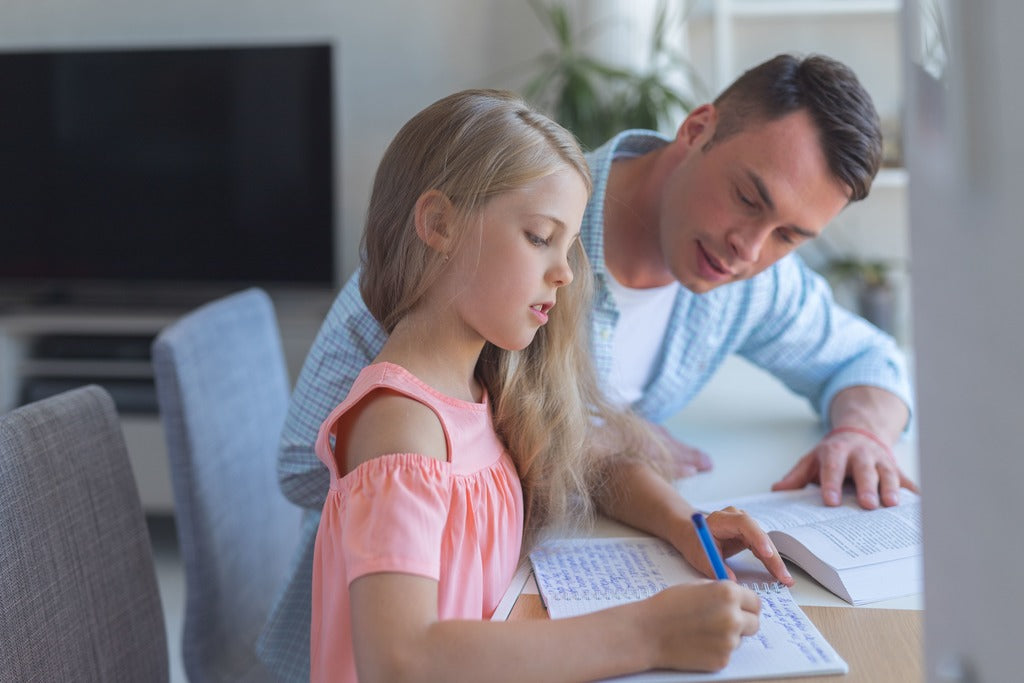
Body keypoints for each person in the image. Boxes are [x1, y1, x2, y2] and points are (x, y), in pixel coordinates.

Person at [257, 54, 915, 679]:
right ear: (697, 129)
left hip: (514, 619)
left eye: (790, 237)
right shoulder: (498, 227)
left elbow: (871, 358)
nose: (750, 248)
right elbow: (317, 465)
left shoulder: (741, 280)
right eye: (747, 196)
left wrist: (858, 432)